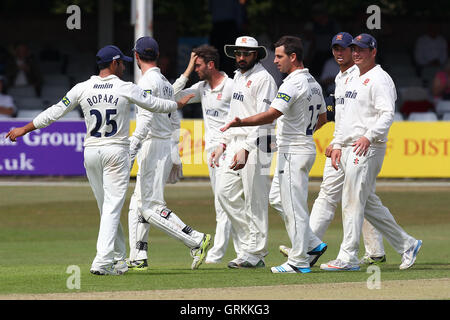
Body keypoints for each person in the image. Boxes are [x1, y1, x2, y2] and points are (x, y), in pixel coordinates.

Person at [5, 45, 193, 275]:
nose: (124, 66)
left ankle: (119, 259)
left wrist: (25, 128)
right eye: (121, 63)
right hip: (116, 151)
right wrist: (177, 104)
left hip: (91, 152)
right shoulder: (125, 87)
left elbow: (54, 111)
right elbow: (154, 104)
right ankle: (102, 261)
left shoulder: (82, 87)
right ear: (114, 64)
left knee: (107, 209)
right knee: (112, 208)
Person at [221, 35, 329, 274]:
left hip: (293, 150)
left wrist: (240, 123)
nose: (275, 61)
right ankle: (312, 244)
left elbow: (271, 115)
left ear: (293, 57)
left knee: (294, 207)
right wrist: (305, 131)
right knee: (278, 199)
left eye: (279, 56)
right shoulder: (312, 81)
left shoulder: (291, 83)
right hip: (302, 146)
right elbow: (323, 118)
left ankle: (299, 261)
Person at [278, 32, 388, 266]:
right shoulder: (340, 77)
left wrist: (350, 139)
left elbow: (364, 114)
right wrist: (337, 141)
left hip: (361, 146)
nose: (340, 53)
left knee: (358, 197)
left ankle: (313, 246)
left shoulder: (363, 76)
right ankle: (310, 244)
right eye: (335, 49)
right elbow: (336, 113)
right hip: (345, 144)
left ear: (354, 51)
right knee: (342, 194)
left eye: (344, 49)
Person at [320, 34, 422, 271]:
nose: (356, 53)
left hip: (368, 146)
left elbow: (387, 114)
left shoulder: (380, 79)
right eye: (354, 49)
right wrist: (337, 143)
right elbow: (344, 116)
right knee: (366, 203)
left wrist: (368, 135)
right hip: (348, 145)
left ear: (373, 52)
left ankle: (348, 258)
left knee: (352, 200)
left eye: (361, 50)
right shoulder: (352, 76)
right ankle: (407, 244)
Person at [126, 37, 211, 271]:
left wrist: (130, 151)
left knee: (149, 207)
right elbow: (172, 94)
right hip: (162, 146)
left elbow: (143, 122)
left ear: (136, 56)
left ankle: (196, 239)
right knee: (137, 203)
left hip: (153, 146)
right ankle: (137, 257)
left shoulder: (146, 82)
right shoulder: (161, 80)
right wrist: (188, 71)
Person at [210, 36, 277, 269]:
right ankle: (251, 245)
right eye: (238, 53)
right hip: (236, 142)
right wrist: (223, 144)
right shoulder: (238, 76)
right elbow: (233, 115)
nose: (240, 57)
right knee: (223, 193)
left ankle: (254, 252)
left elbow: (264, 118)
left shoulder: (264, 79)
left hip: (258, 144)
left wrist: (247, 149)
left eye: (246, 54)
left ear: (256, 54)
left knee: (255, 200)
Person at [173, 44, 240, 264]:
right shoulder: (202, 87)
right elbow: (172, 96)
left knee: (225, 200)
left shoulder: (231, 86)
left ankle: (218, 253)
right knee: (223, 201)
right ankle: (244, 251)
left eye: (199, 65)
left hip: (230, 148)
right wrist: (188, 67)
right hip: (212, 152)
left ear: (211, 65)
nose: (196, 70)